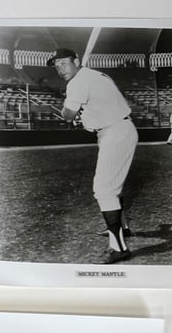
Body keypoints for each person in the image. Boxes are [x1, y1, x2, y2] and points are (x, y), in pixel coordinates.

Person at [48, 47, 139, 264]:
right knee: (111, 186)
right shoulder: (96, 75)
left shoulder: (77, 82)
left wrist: (67, 111)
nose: (60, 69)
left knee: (104, 189)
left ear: (76, 61)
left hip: (115, 132)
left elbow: (68, 116)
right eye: (56, 65)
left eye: (64, 63)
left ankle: (119, 248)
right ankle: (123, 229)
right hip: (117, 129)